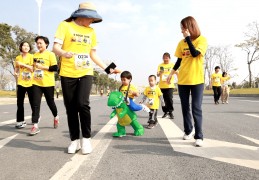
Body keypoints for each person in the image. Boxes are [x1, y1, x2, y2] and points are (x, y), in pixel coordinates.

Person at [52, 2, 120, 154]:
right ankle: (74, 140)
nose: (92, 21)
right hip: (67, 72)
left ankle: (87, 139)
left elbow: (93, 54)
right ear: (82, 16)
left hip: (86, 71)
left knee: (82, 104)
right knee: (71, 108)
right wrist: (64, 53)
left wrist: (107, 69)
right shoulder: (65, 25)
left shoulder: (91, 32)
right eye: (91, 18)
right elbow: (55, 47)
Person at [167, 16, 208, 147]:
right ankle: (188, 130)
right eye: (181, 29)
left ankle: (199, 136)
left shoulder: (202, 40)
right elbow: (179, 60)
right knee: (185, 108)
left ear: (190, 27)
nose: (181, 31)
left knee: (196, 108)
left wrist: (188, 39)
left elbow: (195, 53)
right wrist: (171, 74)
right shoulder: (181, 43)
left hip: (197, 80)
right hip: (183, 80)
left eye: (183, 28)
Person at [30, 36, 59, 136]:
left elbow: (55, 68)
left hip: (48, 83)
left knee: (50, 102)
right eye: (37, 43)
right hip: (36, 82)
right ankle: (35, 125)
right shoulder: (35, 55)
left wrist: (43, 67)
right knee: (35, 104)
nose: (38, 45)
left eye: (40, 43)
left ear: (46, 44)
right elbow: (33, 68)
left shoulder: (51, 54)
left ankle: (56, 116)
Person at [14, 41, 34, 129]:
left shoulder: (32, 57)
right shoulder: (18, 57)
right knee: (19, 103)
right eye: (24, 45)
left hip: (31, 83)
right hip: (21, 82)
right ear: (21, 47)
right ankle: (20, 121)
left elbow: (32, 68)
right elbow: (16, 69)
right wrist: (15, 73)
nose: (25, 47)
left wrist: (22, 64)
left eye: (27, 46)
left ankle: (35, 118)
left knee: (32, 102)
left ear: (29, 48)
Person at [157, 52, 175, 119]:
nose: (165, 59)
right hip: (162, 85)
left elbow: (177, 72)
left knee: (169, 99)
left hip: (170, 85)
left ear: (169, 58)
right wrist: (159, 73)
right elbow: (158, 74)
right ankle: (165, 112)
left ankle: (170, 112)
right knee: (163, 100)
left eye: (166, 57)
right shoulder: (160, 65)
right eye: (164, 58)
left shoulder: (172, 65)